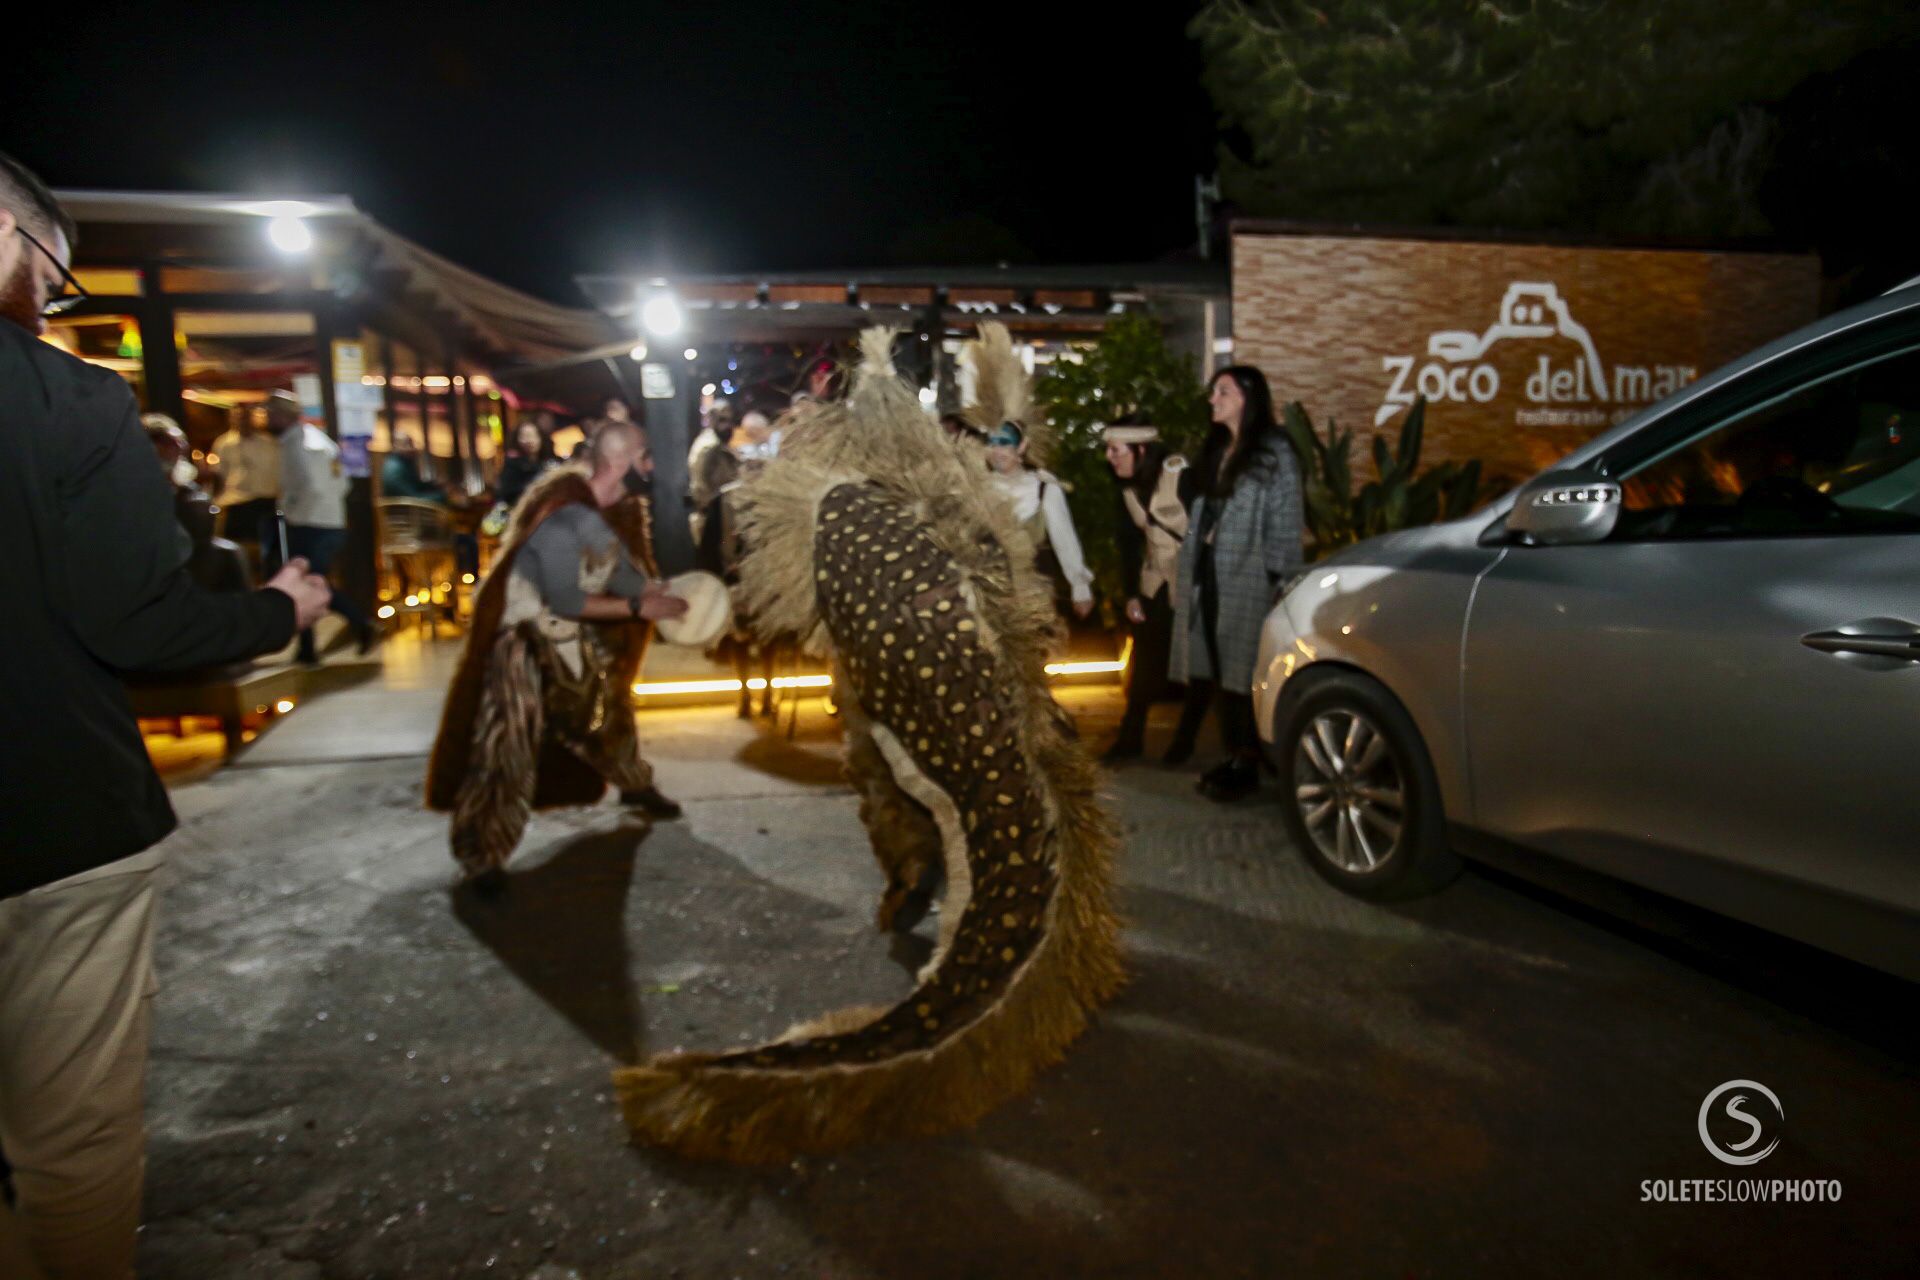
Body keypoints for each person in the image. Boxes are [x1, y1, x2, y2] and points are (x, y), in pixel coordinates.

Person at [0, 152, 331, 1280]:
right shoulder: (68, 399)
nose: (50, 305)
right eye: (52, 280)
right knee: (69, 1140)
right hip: (53, 823)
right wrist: (274, 613)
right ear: (7, 233)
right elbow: (139, 624)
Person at [425, 421, 689, 893]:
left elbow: (619, 570)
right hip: (524, 635)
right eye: (644, 456)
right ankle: (481, 857)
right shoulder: (563, 512)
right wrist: (636, 606)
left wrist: (659, 592)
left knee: (608, 712)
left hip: (569, 635)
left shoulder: (605, 506)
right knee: (508, 742)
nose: (652, 466)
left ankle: (633, 782)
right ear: (622, 461)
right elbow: (565, 599)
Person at [1168, 365, 1305, 800]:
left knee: (1246, 670)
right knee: (1218, 665)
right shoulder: (1218, 449)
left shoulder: (1274, 451)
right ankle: (1234, 755)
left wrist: (1279, 578)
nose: (1213, 399)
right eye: (1213, 392)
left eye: (1222, 391)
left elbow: (1286, 519)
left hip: (1250, 576)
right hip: (1210, 574)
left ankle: (1248, 763)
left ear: (1248, 397)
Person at [1100, 422, 1191, 763]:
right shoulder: (1126, 488)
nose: (1110, 458)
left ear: (1141, 451)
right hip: (1155, 582)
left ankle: (1185, 741)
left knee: (1198, 665)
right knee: (1144, 663)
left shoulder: (1180, 475)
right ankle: (1130, 737)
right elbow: (1127, 544)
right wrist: (1131, 595)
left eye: (1116, 450)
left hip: (1190, 581)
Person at [265, 389, 376, 664]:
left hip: (310, 523)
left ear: (281, 415)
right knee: (311, 582)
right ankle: (310, 647)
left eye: (270, 414)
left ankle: (358, 623)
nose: (267, 420)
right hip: (327, 521)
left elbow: (311, 487)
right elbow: (343, 483)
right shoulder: (316, 440)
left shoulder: (300, 444)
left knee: (309, 583)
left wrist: (289, 510)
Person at [983, 431, 1095, 620]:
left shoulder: (1043, 487)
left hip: (1034, 583)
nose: (997, 451)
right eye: (992, 444)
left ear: (1022, 447)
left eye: (1004, 443)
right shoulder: (979, 487)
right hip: (990, 585)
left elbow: (1064, 538)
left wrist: (1080, 587)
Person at [145, 413, 249, 592]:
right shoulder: (141, 486)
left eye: (180, 442)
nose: (180, 448)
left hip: (192, 554)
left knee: (229, 554)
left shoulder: (185, 481)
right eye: (169, 442)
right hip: (161, 555)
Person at [209, 403, 281, 556]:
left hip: (264, 502)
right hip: (236, 504)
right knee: (237, 550)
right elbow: (219, 475)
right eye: (238, 417)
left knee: (266, 550)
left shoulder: (269, 443)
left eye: (246, 417)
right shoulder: (223, 444)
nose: (242, 421)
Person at [493, 421, 554, 515]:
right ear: (517, 440)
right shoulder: (512, 464)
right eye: (524, 436)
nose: (529, 440)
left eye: (533, 435)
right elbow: (507, 493)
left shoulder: (548, 464)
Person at [379, 431, 447, 502]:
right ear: (396, 446)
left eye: (412, 444)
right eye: (407, 444)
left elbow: (416, 485)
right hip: (406, 509)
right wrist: (443, 496)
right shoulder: (395, 468)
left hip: (408, 505)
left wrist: (435, 485)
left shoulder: (402, 462)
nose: (412, 448)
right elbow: (411, 498)